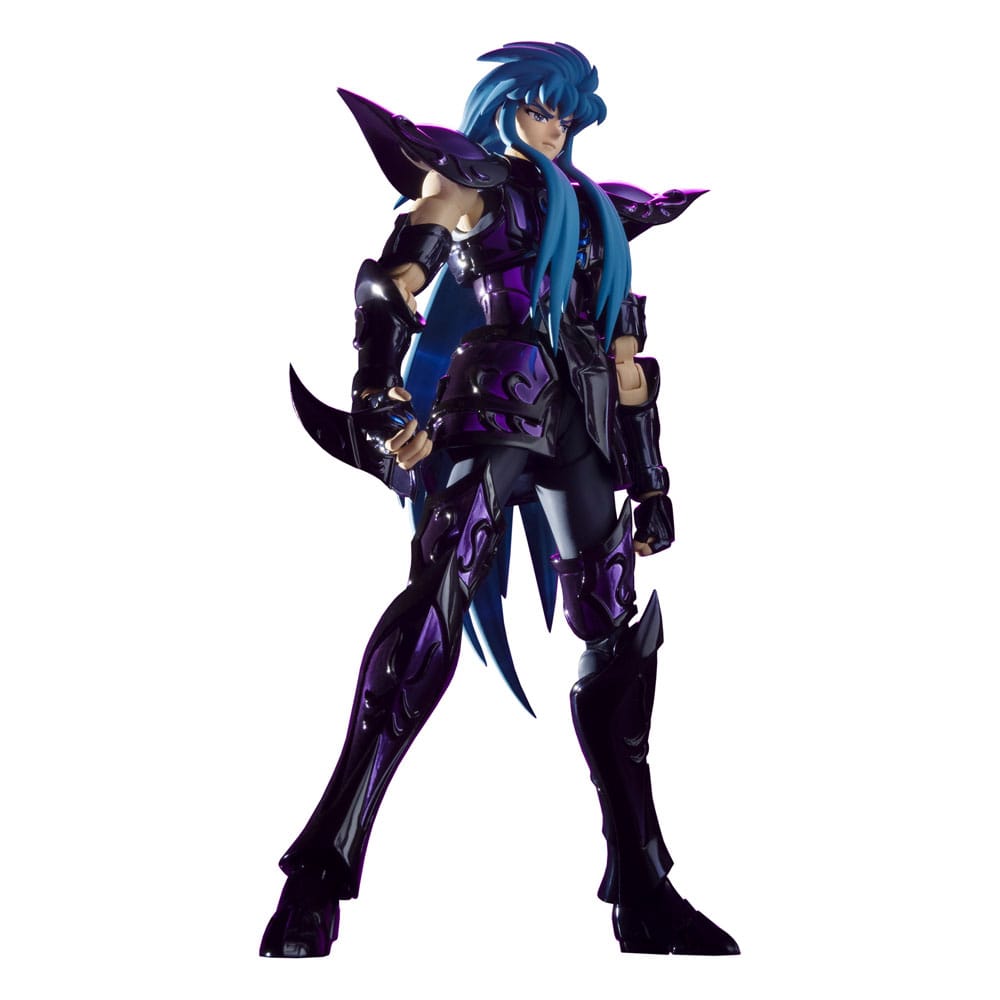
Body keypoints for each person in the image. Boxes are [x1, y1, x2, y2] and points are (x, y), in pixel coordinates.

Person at [261, 41, 738, 958]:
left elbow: (629, 366)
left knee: (615, 633)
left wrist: (651, 481)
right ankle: (320, 872)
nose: (555, 127)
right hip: (494, 405)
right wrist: (379, 388)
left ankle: (643, 891)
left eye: (568, 115)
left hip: (581, 424)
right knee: (434, 604)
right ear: (505, 106)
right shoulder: (476, 183)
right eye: (541, 108)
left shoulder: (601, 216)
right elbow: (393, 280)